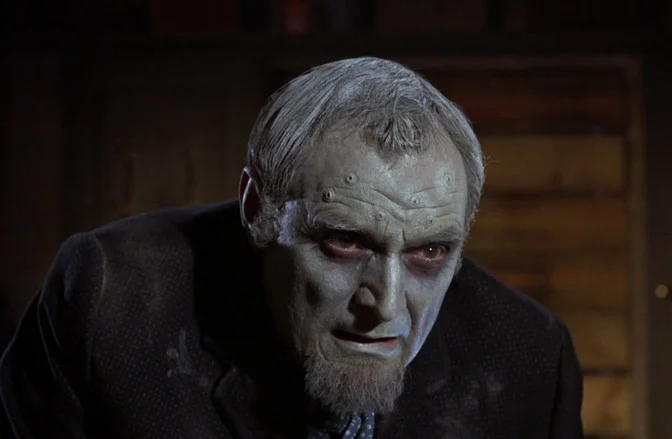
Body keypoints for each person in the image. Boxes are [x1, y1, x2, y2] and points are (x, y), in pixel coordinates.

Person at [0, 57, 583, 438]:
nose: (386, 305)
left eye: (429, 254)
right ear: (258, 210)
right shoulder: (110, 303)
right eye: (345, 242)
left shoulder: (529, 360)